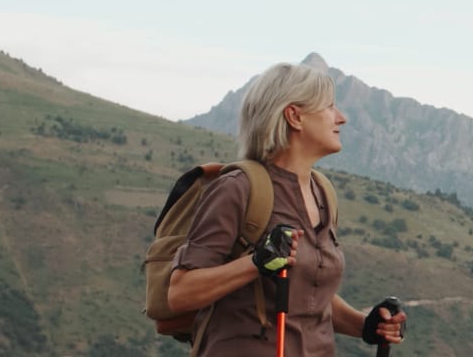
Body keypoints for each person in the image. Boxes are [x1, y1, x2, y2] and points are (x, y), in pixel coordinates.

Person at [166, 63, 406, 355]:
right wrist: (257, 262)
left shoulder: (323, 193)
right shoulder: (237, 188)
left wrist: (367, 326)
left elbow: (309, 295)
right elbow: (180, 293)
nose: (341, 118)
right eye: (329, 107)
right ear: (295, 116)